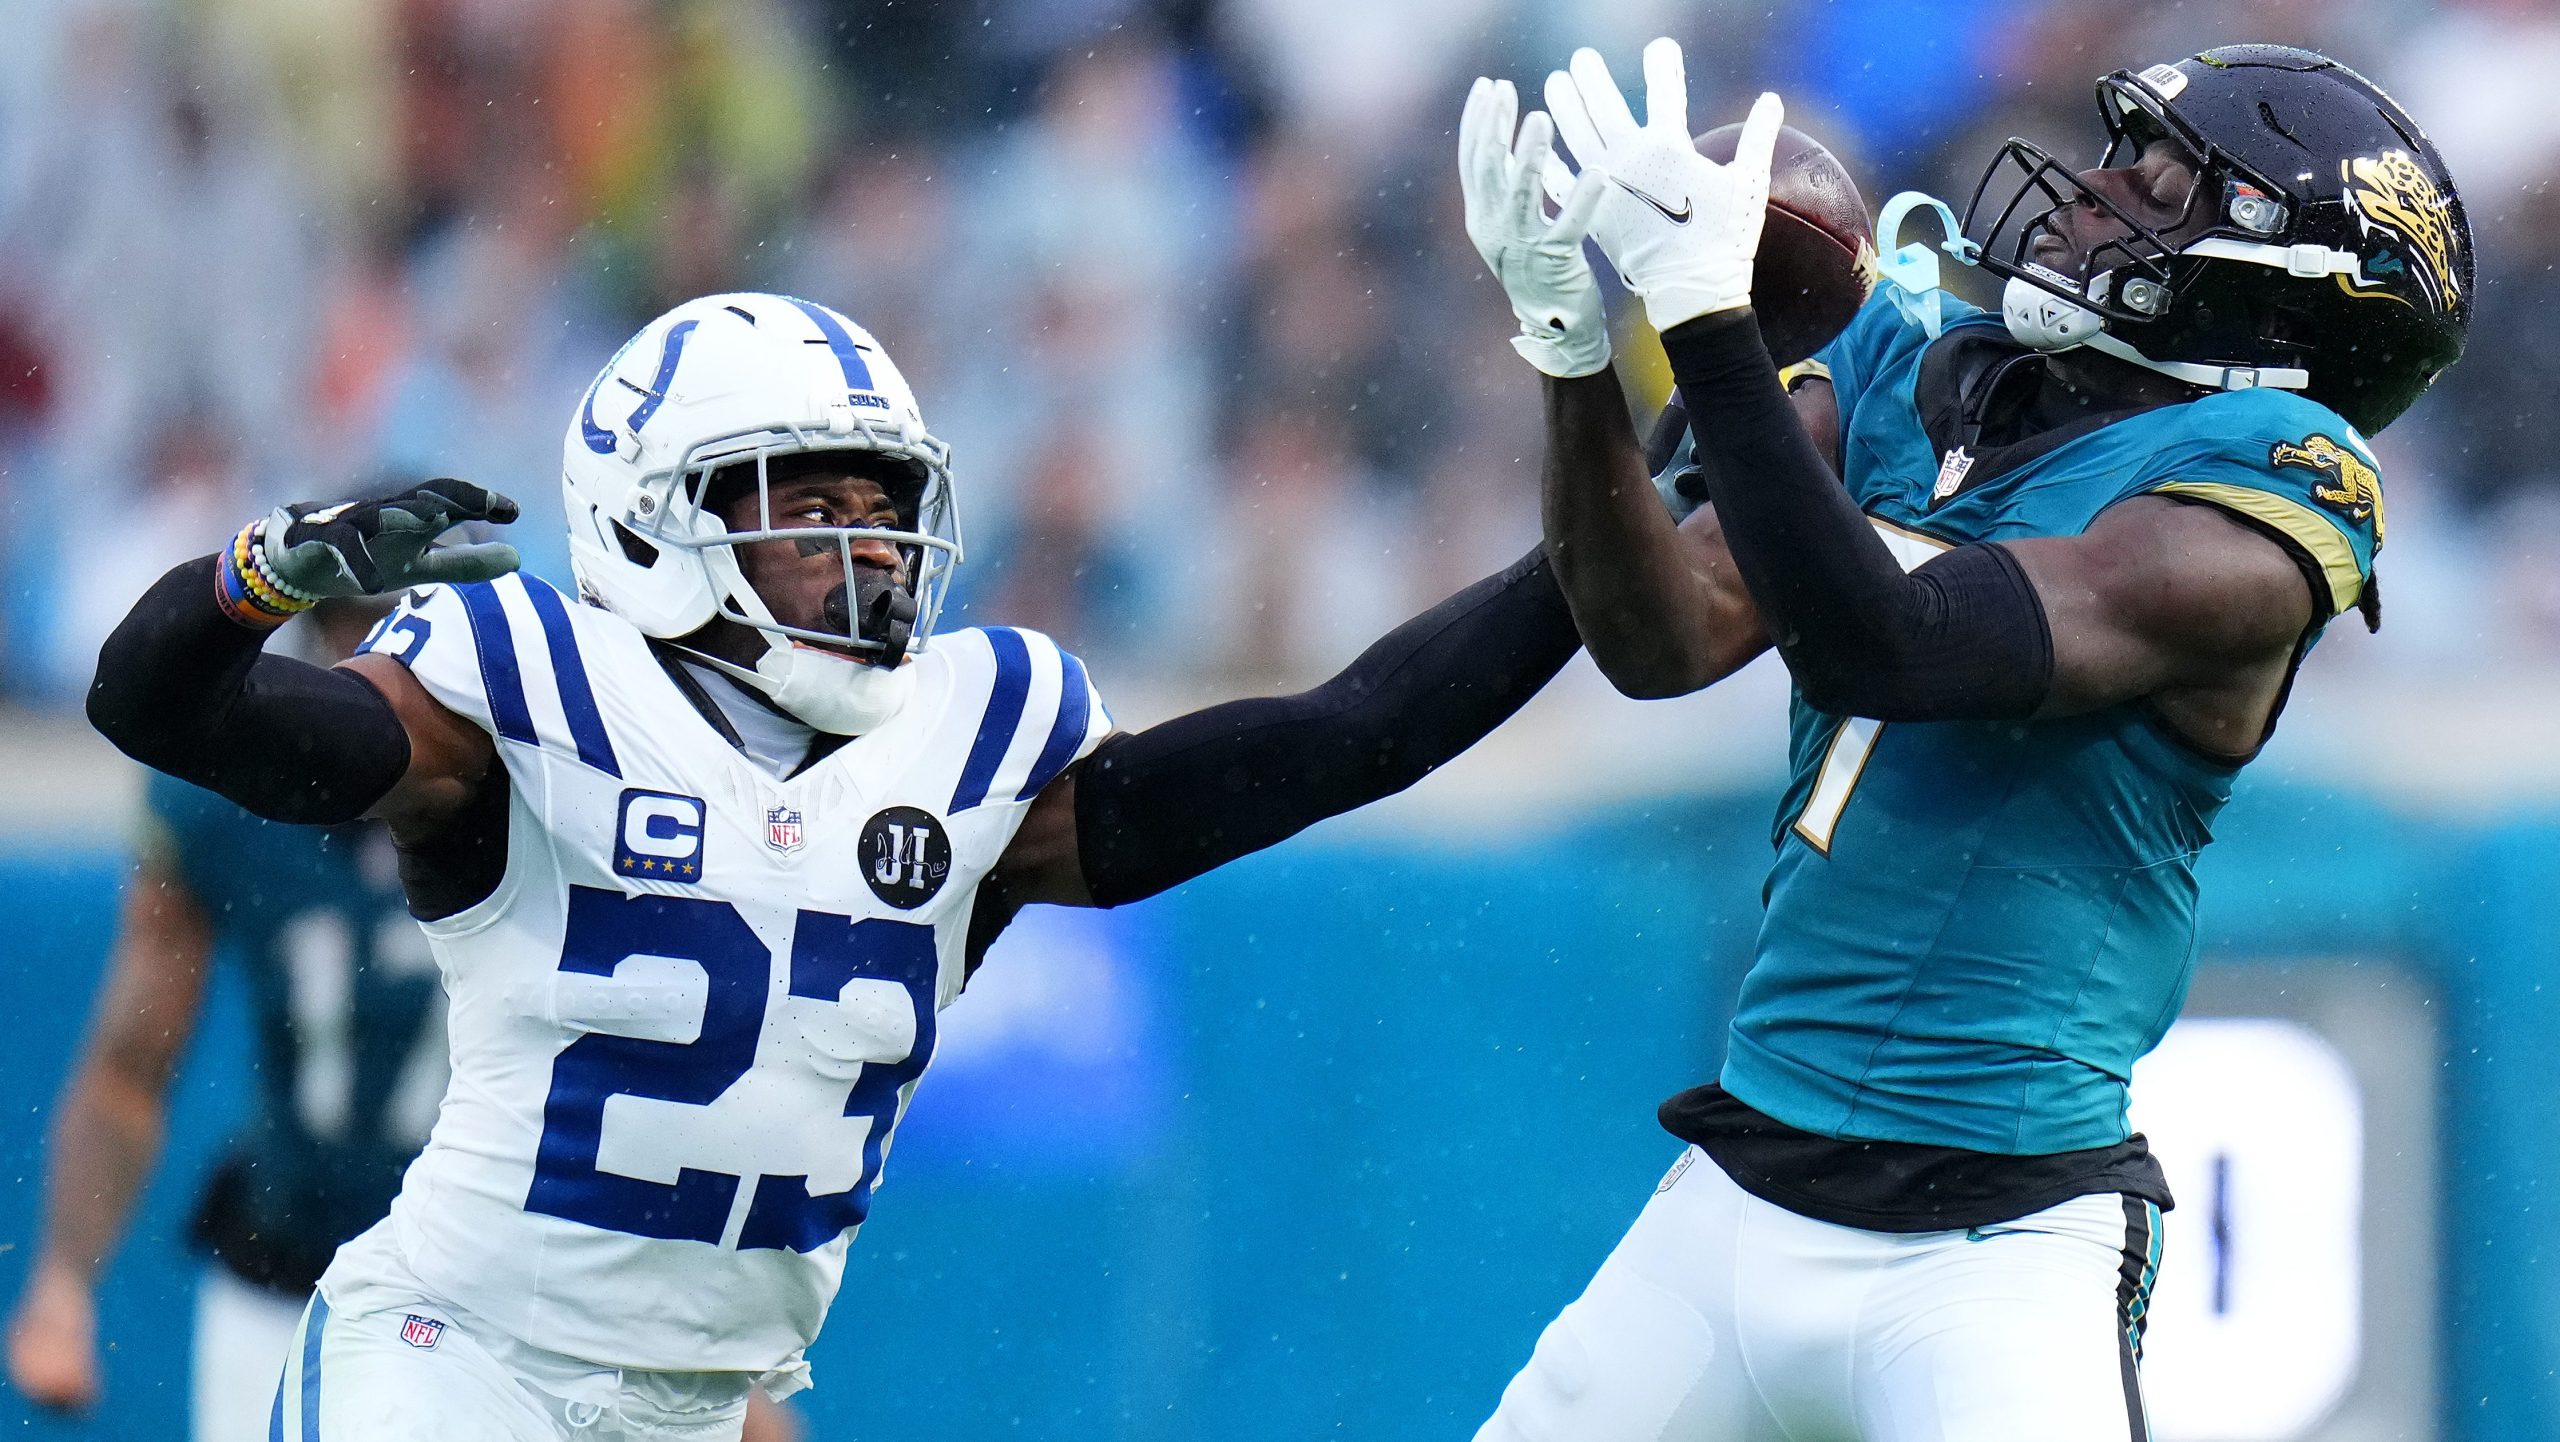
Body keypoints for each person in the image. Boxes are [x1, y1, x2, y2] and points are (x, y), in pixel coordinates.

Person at [84, 291, 1582, 1441]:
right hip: (451, 1367)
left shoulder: (971, 740)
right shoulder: (524, 683)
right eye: (808, 506)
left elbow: (1355, 733)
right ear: (656, 516)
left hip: (701, 1407)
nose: (865, 549)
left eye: (881, 506)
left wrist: (1598, 546)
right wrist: (257, 579)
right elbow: (156, 707)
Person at [1459, 40, 2464, 1439]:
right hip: (1736, 1197)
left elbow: (1897, 648)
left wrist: (1708, 325)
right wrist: (1573, 353)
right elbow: (1660, 638)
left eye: (2162, 182)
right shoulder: (1927, 371)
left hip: (1993, 1255)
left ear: (2279, 278)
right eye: (2123, 154)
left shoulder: (2271, 490)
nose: (2097, 187)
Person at [11, 598, 806, 1442]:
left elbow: (657, 1077)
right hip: (289, 1273)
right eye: (363, 621)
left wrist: (673, 1343)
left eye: (419, 623)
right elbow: (130, 1067)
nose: (395, 657)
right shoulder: (230, 810)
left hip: (518, 1308)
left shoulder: (563, 780)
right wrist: (62, 1284)